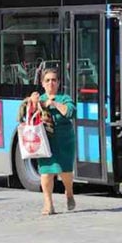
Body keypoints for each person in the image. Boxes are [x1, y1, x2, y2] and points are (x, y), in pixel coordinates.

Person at [18, 68, 76, 215]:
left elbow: (71, 112)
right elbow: (25, 116)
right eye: (47, 80)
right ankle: (48, 204)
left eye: (54, 80)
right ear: (42, 83)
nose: (51, 83)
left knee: (65, 172)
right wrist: (32, 103)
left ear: (59, 83)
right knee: (46, 173)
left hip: (64, 141)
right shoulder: (39, 99)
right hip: (45, 141)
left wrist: (54, 104)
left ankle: (69, 193)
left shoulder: (64, 98)